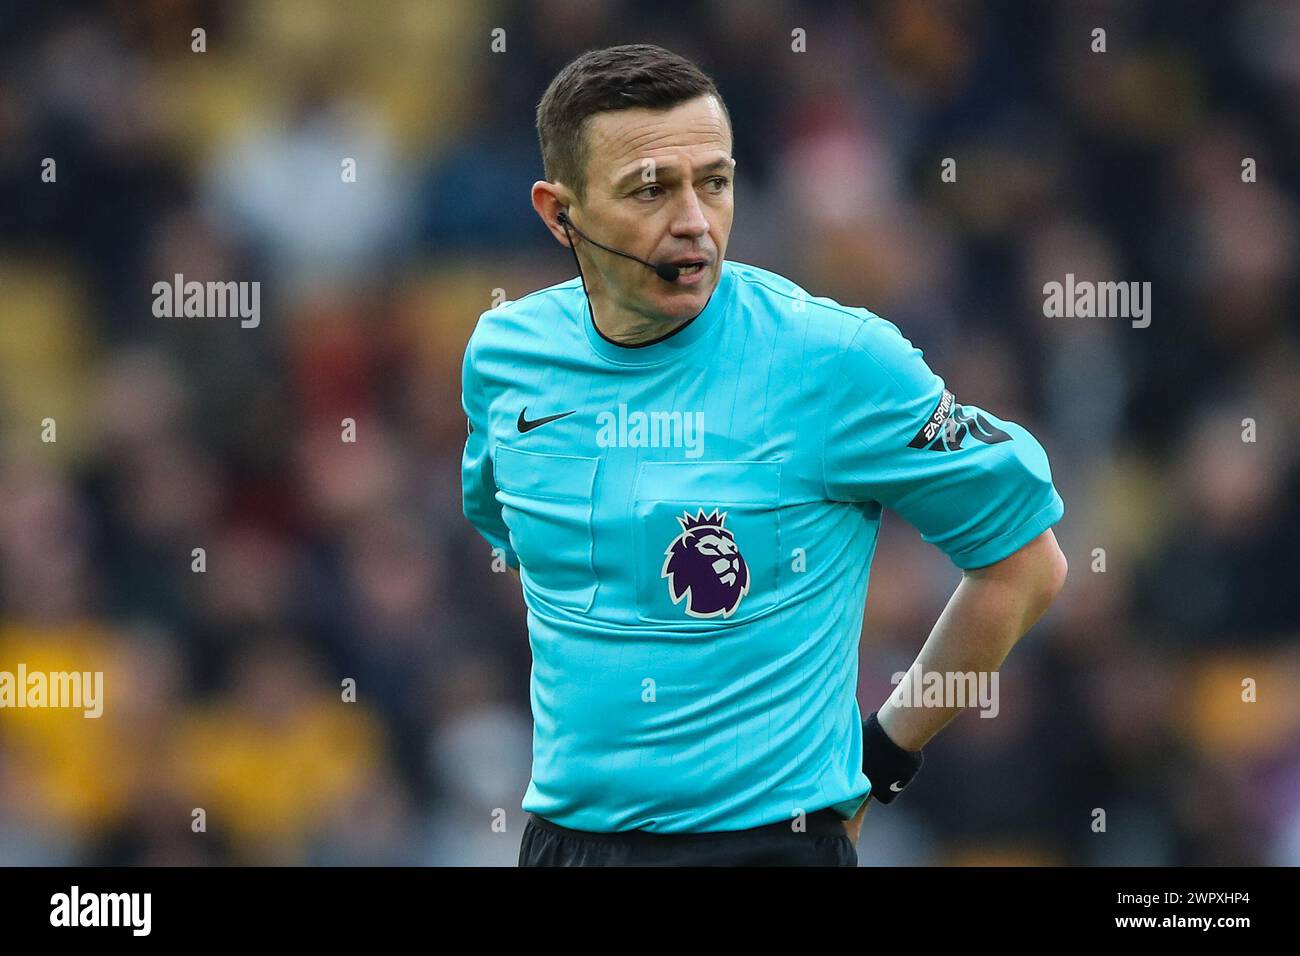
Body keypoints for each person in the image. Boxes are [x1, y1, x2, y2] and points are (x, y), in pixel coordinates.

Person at [461, 44, 1068, 867]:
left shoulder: (833, 360)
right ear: (558, 212)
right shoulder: (507, 356)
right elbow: (518, 535)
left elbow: (1024, 565)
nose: (693, 221)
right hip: (565, 847)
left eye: (713, 181)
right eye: (651, 189)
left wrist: (884, 756)